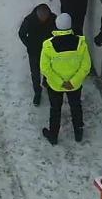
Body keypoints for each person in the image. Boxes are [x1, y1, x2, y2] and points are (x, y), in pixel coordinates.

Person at [39, 12, 91, 145]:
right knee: (76, 107)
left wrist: (61, 82)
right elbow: (86, 66)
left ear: (56, 25)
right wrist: (72, 82)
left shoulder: (48, 45)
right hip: (74, 85)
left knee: (55, 110)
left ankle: (53, 136)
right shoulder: (81, 43)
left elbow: (45, 68)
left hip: (55, 86)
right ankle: (78, 134)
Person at [18, 3, 57, 107]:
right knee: (35, 72)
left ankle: (46, 82)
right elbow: (21, 33)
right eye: (42, 18)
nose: (44, 20)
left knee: (48, 69)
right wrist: (29, 45)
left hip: (48, 51)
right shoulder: (29, 20)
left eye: (46, 18)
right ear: (37, 15)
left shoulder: (53, 18)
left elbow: (57, 32)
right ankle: (37, 92)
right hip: (34, 52)